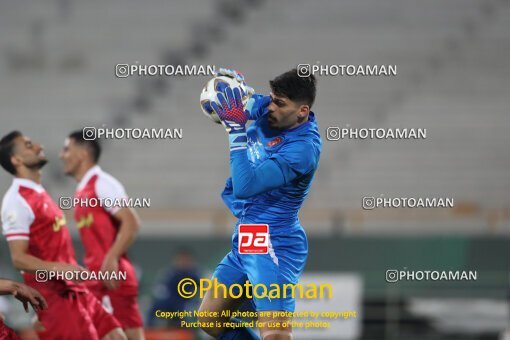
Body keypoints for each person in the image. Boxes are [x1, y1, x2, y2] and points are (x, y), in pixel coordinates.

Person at [198, 69, 321, 340]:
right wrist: (235, 91)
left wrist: (235, 131)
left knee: (275, 332)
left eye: (279, 103)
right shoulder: (273, 108)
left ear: (302, 111)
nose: (270, 106)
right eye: (273, 99)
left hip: (274, 242)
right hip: (247, 237)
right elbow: (239, 106)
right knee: (209, 318)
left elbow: (245, 187)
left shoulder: (302, 150)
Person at [0, 131, 126, 340]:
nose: (39, 146)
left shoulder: (39, 193)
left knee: (117, 337)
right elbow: (19, 258)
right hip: (55, 296)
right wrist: (61, 270)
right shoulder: (16, 200)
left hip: (75, 289)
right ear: (17, 159)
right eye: (29, 144)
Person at [60, 131, 144, 340]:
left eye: (67, 149)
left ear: (82, 153)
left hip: (112, 277)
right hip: (97, 276)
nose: (62, 155)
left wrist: (111, 257)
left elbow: (131, 221)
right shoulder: (83, 190)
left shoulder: (102, 183)